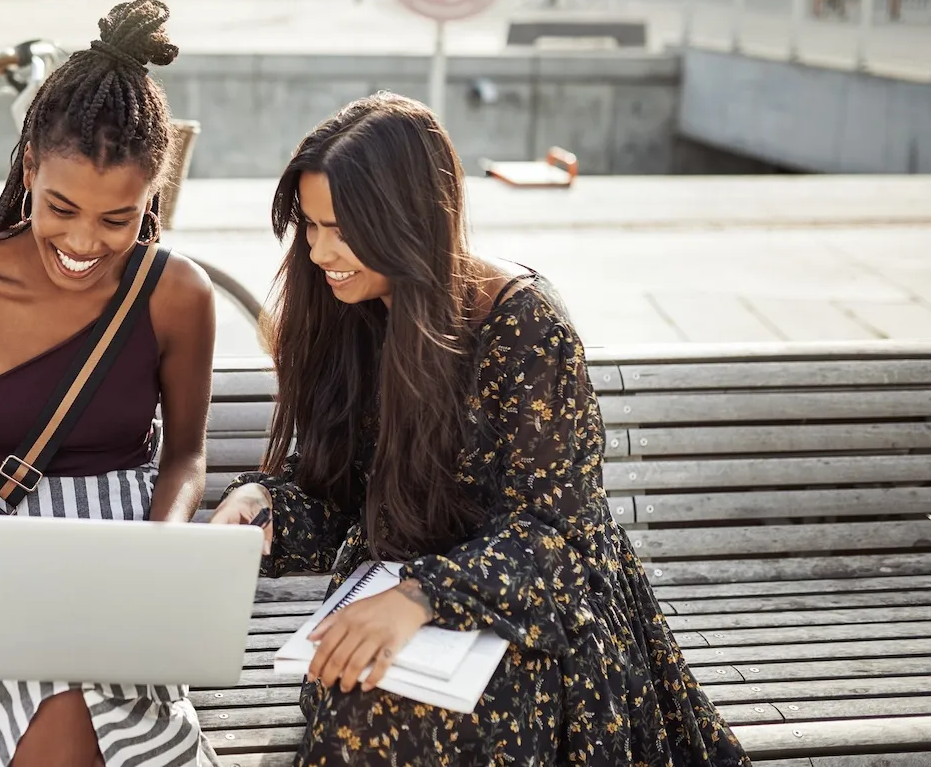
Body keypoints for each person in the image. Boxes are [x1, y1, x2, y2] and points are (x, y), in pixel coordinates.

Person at [210, 93, 751, 767]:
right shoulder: (345, 313)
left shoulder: (522, 327)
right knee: (360, 699)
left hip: (539, 616)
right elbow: (338, 492)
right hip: (395, 600)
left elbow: (558, 540)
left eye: (342, 227)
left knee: (418, 724)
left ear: (404, 221)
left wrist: (423, 596)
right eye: (309, 225)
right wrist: (265, 508)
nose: (320, 251)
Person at [0, 0, 219, 767]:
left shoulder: (178, 293)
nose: (86, 241)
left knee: (92, 703)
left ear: (154, 193)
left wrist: (161, 552)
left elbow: (186, 456)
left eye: (119, 219)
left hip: (129, 557)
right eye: (61, 207)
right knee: (55, 707)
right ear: (28, 167)